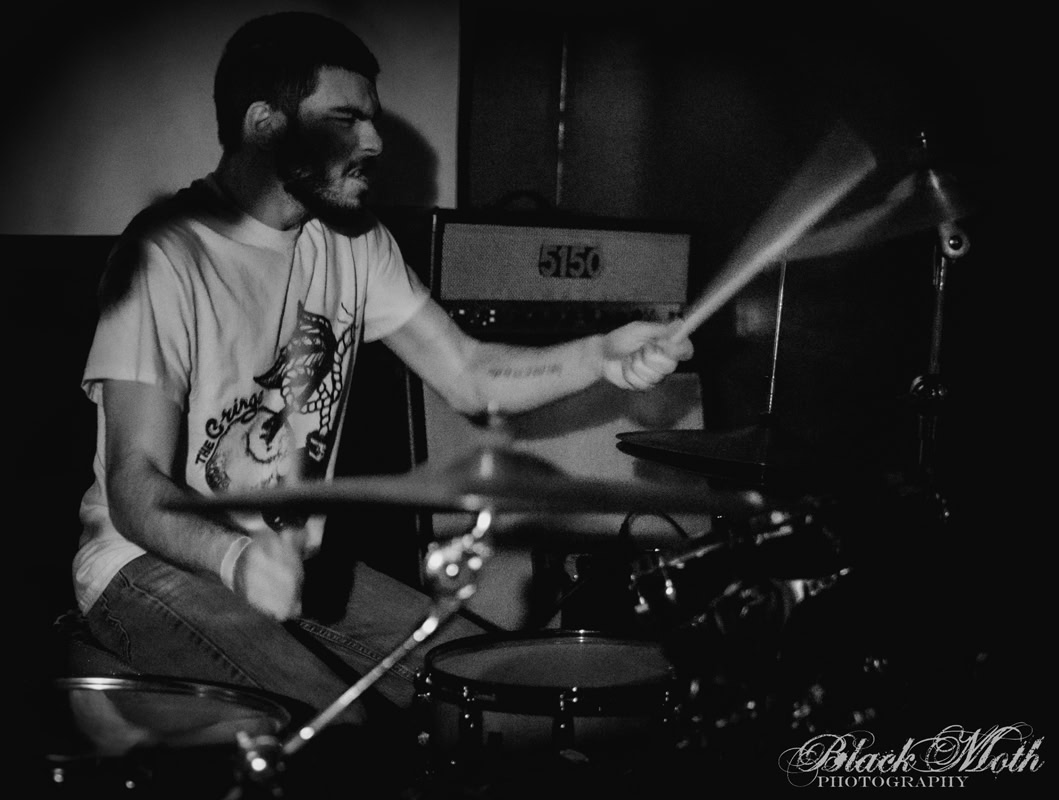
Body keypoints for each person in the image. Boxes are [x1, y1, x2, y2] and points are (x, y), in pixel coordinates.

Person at [74, 10, 692, 753]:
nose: (373, 141)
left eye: (370, 119)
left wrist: (599, 355)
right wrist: (236, 560)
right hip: (147, 566)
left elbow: (470, 375)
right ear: (265, 126)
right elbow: (134, 484)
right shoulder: (166, 255)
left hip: (297, 565)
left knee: (495, 684)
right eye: (345, 119)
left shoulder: (355, 241)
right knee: (345, 737)